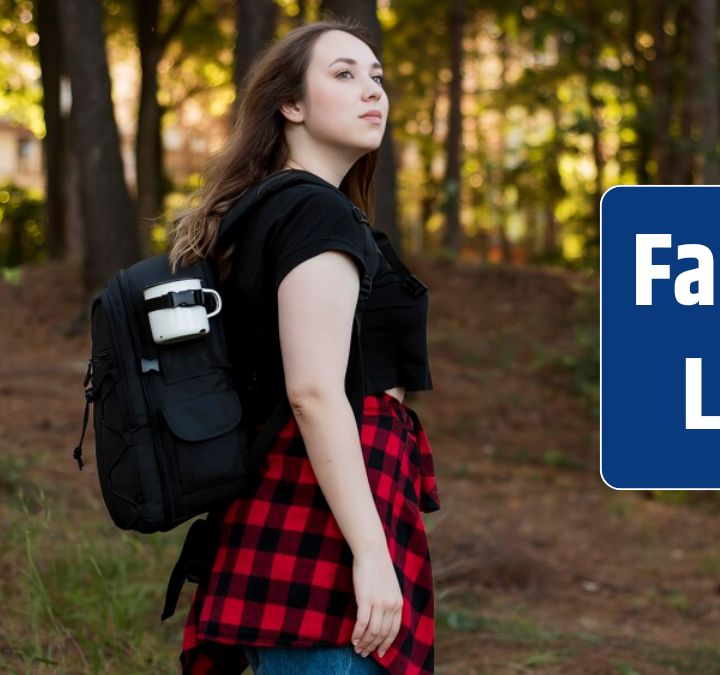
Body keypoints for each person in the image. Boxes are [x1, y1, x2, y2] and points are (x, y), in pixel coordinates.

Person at [165, 19, 440, 675]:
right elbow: (314, 391)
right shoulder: (313, 213)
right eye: (343, 74)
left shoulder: (268, 208)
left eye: (376, 77)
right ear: (290, 104)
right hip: (320, 519)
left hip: (314, 503)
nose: (372, 90)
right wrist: (370, 552)